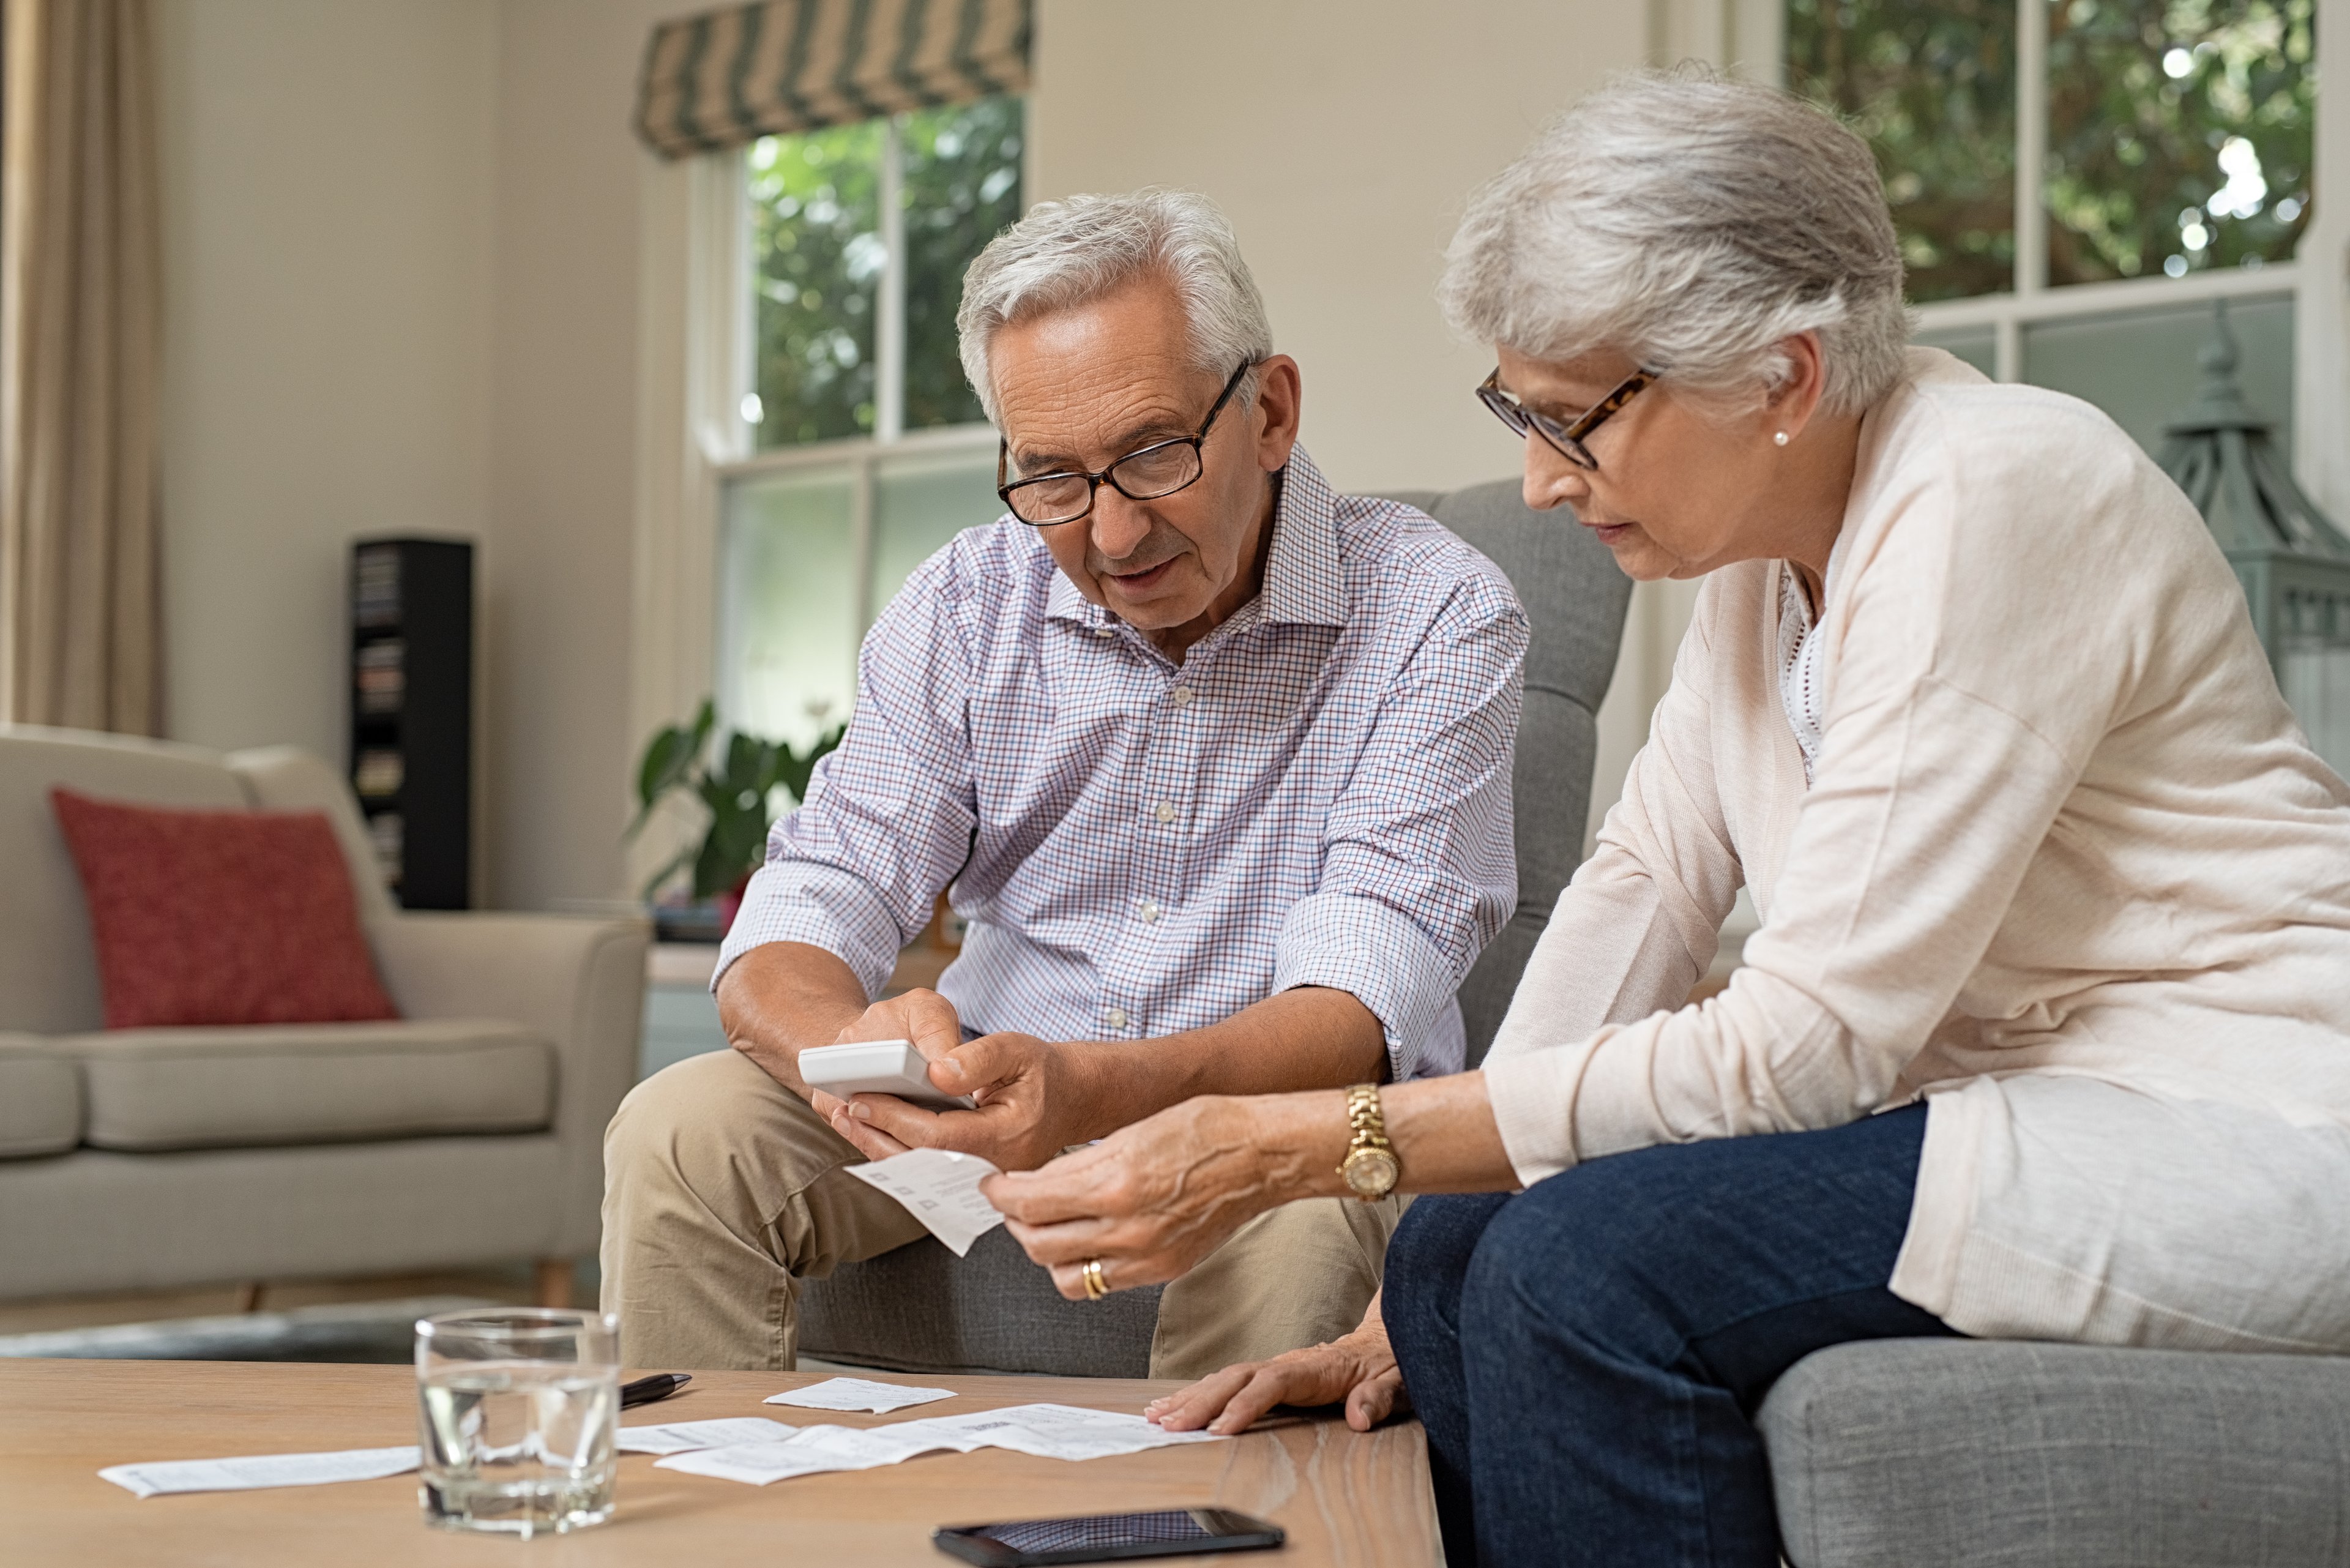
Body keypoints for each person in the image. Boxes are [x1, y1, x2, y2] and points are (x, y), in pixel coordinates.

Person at [979, 71, 2350, 1567]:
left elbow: (1813, 1043)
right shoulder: (1768, 568)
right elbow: (1640, 886)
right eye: (1521, 414)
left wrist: (1302, 1144)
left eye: (1573, 422)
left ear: (1785, 376)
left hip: (2236, 1124)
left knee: (1583, 1275)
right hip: (2019, 1109)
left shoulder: (1995, 492)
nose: (1536, 481)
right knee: (1451, 1252)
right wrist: (1393, 1285)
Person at [599, 188, 1529, 1380]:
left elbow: (1358, 1004)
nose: (1112, 534)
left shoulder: (1437, 614)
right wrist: (854, 1051)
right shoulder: (965, 604)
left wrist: (1090, 1093)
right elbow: (820, 890)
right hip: (981, 1101)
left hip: (1268, 1120)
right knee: (682, 1132)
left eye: (1152, 454)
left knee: (1311, 1206)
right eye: (1049, 477)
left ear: (1273, 411)